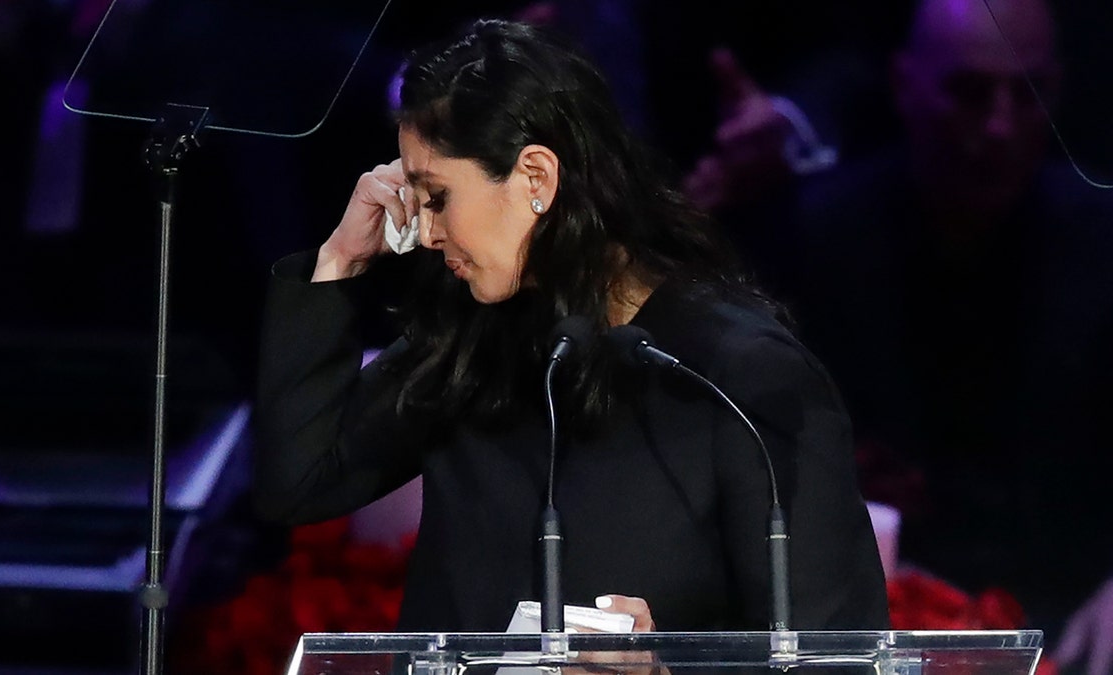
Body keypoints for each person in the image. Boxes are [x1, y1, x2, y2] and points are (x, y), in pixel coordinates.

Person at [253, 19, 889, 632]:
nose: (424, 230)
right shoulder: (475, 337)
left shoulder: (742, 376)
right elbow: (299, 486)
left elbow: (832, 646)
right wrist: (339, 261)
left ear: (536, 176)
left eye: (437, 196)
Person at [777, 0, 1113, 661]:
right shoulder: (819, 241)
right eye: (968, 93)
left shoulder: (1103, 245)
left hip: (1072, 613)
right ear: (906, 86)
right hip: (876, 619)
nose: (998, 126)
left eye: (1028, 94)